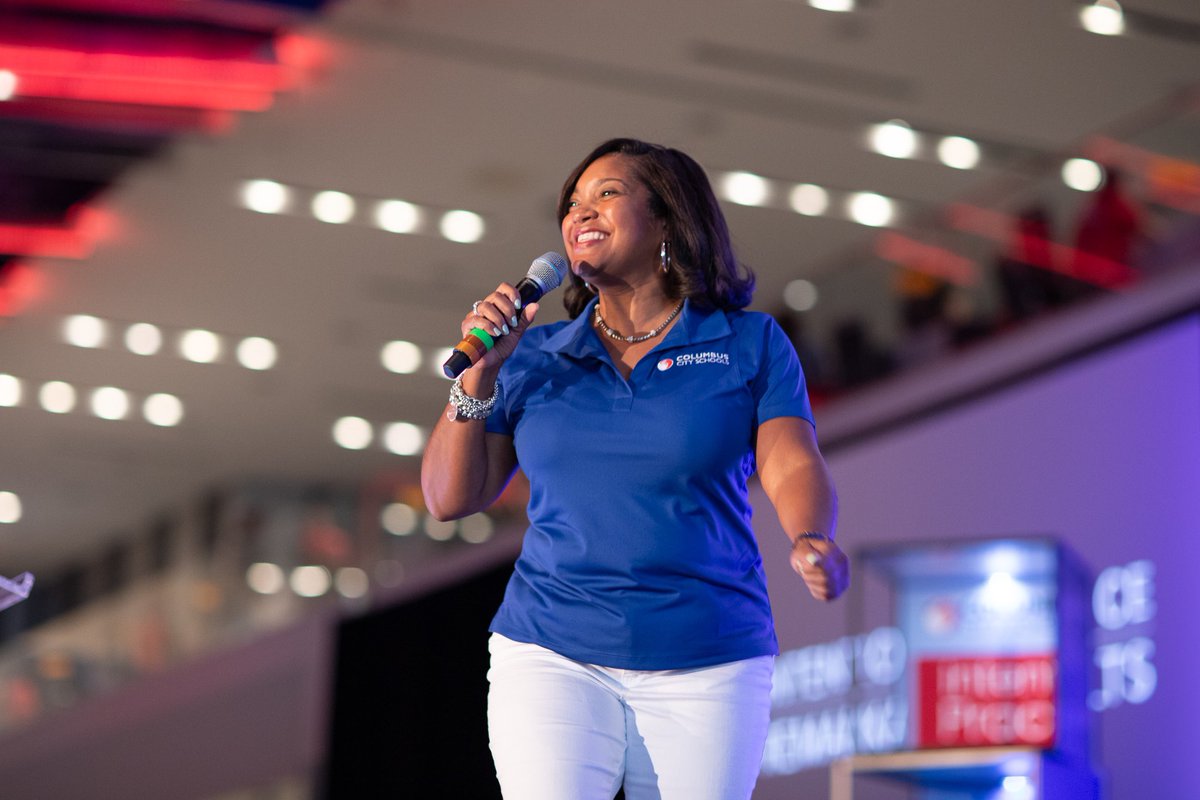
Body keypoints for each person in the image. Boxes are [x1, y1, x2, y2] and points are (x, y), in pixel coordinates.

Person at [421, 138, 849, 800]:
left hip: (709, 655)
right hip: (552, 648)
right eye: (572, 202)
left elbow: (789, 461)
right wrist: (480, 373)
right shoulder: (533, 357)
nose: (580, 212)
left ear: (669, 219)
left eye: (607, 193)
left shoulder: (747, 342)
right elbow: (449, 498)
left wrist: (810, 535)